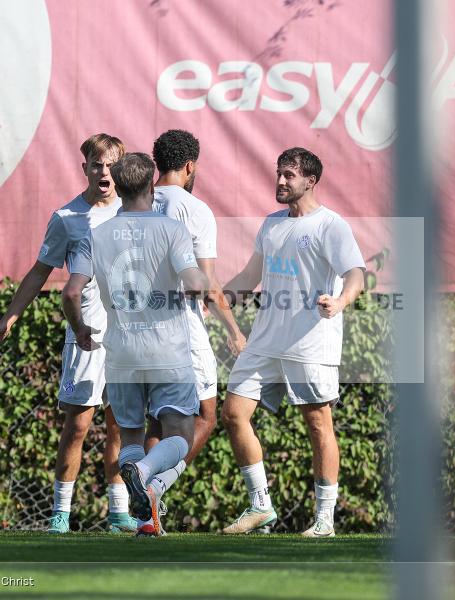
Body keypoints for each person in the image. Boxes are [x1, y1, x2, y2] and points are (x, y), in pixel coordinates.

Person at [0, 134, 137, 534]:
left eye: (111, 165)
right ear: (84, 168)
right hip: (86, 335)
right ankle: (61, 513)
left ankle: (118, 512)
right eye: (97, 164)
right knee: (79, 425)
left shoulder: (136, 210)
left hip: (128, 336)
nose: (104, 172)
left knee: (121, 424)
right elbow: (40, 271)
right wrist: (9, 318)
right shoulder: (67, 217)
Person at [220, 147, 366, 537]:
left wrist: (341, 301)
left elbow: (356, 274)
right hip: (265, 342)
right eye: (279, 173)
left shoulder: (331, 225)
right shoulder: (271, 224)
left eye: (289, 175)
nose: (281, 181)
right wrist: (215, 300)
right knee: (233, 414)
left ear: (310, 181)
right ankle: (260, 506)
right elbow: (249, 276)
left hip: (310, 344)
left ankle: (325, 520)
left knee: (318, 426)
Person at [63, 152, 209, 536]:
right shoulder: (172, 230)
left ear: (120, 186)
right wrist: (197, 284)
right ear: (151, 187)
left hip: (121, 351)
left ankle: (145, 520)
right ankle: (144, 472)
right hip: (167, 350)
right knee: (181, 435)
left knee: (130, 434)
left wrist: (80, 328)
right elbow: (195, 282)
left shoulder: (96, 235)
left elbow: (71, 292)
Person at [143, 129, 247, 510]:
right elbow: (205, 283)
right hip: (180, 325)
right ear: (190, 166)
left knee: (157, 420)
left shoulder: (134, 202)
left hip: (138, 325)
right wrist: (233, 330)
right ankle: (154, 485)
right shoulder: (194, 209)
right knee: (206, 415)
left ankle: (145, 510)